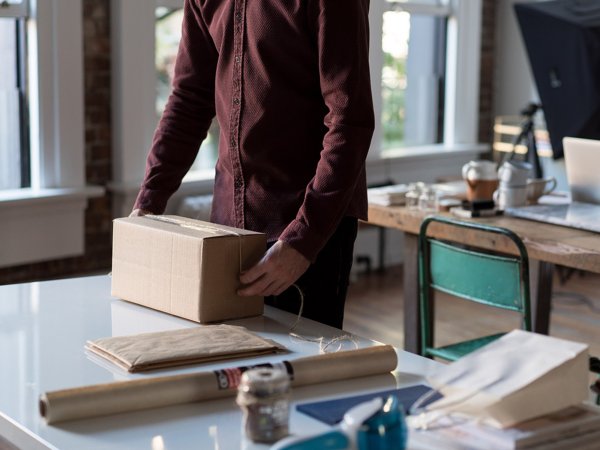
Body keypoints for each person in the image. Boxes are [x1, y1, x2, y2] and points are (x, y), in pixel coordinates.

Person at [131, 0, 374, 329]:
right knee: (230, 368)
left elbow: (350, 122)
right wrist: (147, 205)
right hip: (227, 229)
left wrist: (302, 242)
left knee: (301, 374)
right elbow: (189, 98)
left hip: (307, 227)